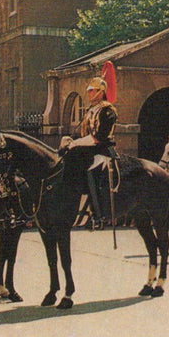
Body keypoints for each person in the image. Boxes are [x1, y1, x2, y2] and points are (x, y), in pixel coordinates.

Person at [59, 61, 119, 224]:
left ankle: (99, 213)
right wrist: (71, 141)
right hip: (89, 149)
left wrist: (77, 143)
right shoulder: (90, 110)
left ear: (101, 92)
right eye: (89, 90)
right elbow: (84, 133)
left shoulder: (107, 110)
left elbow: (99, 136)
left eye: (92, 91)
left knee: (91, 171)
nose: (89, 93)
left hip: (103, 149)